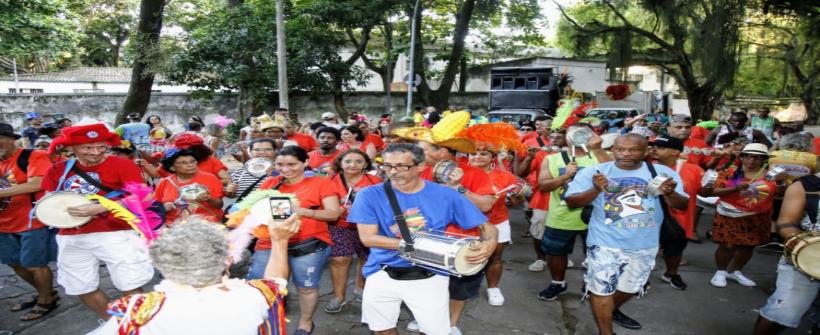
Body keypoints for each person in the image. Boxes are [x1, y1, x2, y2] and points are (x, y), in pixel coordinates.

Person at [348, 143, 497, 335]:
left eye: (402, 166)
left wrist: (490, 243)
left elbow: (487, 226)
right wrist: (424, 246)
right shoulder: (369, 194)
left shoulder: (445, 194)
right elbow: (368, 238)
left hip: (430, 276)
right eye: (387, 166)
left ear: (420, 166)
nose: (393, 172)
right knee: (382, 330)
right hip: (381, 273)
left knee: (436, 331)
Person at [565, 134, 687, 334]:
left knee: (630, 288)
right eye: (620, 149)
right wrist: (596, 189)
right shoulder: (595, 171)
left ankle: (607, 309)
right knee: (601, 290)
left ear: (646, 151)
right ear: (612, 149)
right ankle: (606, 331)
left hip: (645, 244)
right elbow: (572, 202)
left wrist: (670, 192)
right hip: (604, 243)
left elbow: (682, 205)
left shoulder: (661, 172)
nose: (626, 154)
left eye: (634, 149)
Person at [92, 216, 297, 334]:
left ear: (160, 263)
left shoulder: (138, 310)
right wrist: (280, 241)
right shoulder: (255, 296)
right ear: (227, 260)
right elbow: (277, 282)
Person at [41, 124, 156, 319]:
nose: (95, 153)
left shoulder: (123, 165)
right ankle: (114, 323)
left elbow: (144, 198)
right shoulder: (57, 170)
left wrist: (103, 207)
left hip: (115, 232)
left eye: (101, 147)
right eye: (87, 148)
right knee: (79, 285)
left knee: (130, 282)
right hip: (71, 236)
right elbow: (49, 199)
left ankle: (141, 325)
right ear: (72, 148)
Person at [249, 146, 340, 335]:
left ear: (305, 163)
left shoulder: (321, 182)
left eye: (292, 164)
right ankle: (265, 324)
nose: (285, 169)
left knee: (305, 288)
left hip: (307, 245)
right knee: (263, 287)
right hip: (269, 243)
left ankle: (305, 324)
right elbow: (254, 211)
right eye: (280, 164)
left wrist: (302, 211)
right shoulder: (271, 183)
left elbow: (333, 214)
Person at [536, 125, 608, 301]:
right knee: (556, 253)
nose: (579, 135)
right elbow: (543, 186)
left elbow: (615, 178)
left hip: (595, 217)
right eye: (574, 132)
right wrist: (565, 176)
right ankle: (557, 283)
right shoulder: (552, 159)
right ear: (565, 136)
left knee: (595, 253)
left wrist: (597, 149)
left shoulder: (599, 156)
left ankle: (592, 284)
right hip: (561, 216)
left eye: (584, 132)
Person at [700, 143, 782, 288]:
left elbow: (779, 194)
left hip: (757, 216)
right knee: (727, 245)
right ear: (742, 157)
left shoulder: (771, 175)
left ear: (764, 159)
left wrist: (782, 184)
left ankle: (735, 271)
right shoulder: (730, 172)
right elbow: (709, 192)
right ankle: (720, 272)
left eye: (757, 158)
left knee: (748, 246)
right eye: (748, 156)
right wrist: (735, 188)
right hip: (730, 214)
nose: (752, 160)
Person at [0, 123, 59, 321]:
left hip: (32, 221)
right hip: (3, 224)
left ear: (11, 139)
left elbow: (37, 183)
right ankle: (46, 293)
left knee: (35, 265)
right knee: (15, 263)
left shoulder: (34, 156)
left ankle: (45, 300)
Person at [752, 176, 820, 335]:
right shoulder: (807, 185)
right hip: (805, 261)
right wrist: (804, 247)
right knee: (783, 312)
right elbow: (787, 222)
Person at [324, 149, 382, 314]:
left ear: (365, 164)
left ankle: (360, 288)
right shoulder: (329, 181)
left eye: (358, 161)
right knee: (339, 259)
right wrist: (334, 209)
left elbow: (382, 204)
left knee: (366, 258)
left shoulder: (375, 181)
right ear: (340, 163)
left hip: (368, 226)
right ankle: (338, 296)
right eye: (348, 161)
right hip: (339, 225)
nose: (353, 165)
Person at [467, 145, 525, 306]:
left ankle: (493, 288)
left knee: (495, 257)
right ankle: (463, 289)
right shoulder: (459, 173)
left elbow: (518, 202)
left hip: (497, 222)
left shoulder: (505, 176)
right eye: (473, 153)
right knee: (465, 256)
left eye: (483, 153)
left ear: (492, 157)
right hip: (466, 224)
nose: (477, 156)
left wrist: (518, 195)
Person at [649, 136, 704, 290]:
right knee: (646, 249)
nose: (655, 150)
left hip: (679, 219)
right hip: (650, 219)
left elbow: (705, 193)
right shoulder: (645, 167)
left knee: (675, 249)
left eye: (660, 147)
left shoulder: (694, 169)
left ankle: (671, 274)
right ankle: (641, 277)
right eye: (654, 146)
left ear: (675, 151)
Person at [517, 127, 559, 271]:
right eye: (551, 137)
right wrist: (528, 157)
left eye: (558, 138)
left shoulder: (576, 156)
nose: (553, 141)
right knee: (538, 229)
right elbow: (521, 173)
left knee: (562, 232)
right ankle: (540, 259)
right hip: (542, 198)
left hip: (566, 201)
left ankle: (561, 256)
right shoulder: (542, 154)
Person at [155, 148, 225, 224]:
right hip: (174, 226)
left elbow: (219, 205)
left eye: (192, 161)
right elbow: (155, 206)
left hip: (206, 224)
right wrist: (164, 207)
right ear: (172, 167)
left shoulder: (210, 178)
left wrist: (209, 199)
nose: (190, 165)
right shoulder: (165, 183)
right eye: (183, 163)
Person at [153, 133, 230, 185]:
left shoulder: (211, 161)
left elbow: (227, 179)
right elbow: (157, 175)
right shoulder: (172, 160)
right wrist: (145, 164)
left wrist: (203, 184)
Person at [706, 111, 772, 148]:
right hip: (719, 158)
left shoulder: (754, 132)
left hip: (742, 160)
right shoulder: (719, 129)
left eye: (741, 121)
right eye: (735, 121)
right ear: (730, 120)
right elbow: (706, 142)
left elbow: (769, 146)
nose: (738, 123)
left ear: (746, 120)